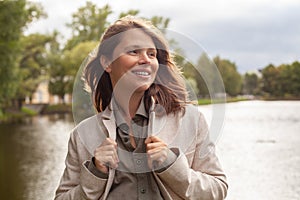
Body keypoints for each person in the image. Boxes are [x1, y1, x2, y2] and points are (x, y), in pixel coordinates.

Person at [55, 16, 228, 200]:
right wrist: (96, 173)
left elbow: (217, 189)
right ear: (107, 63)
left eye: (152, 54)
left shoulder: (191, 120)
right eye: (134, 51)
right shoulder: (82, 135)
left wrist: (172, 165)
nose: (145, 60)